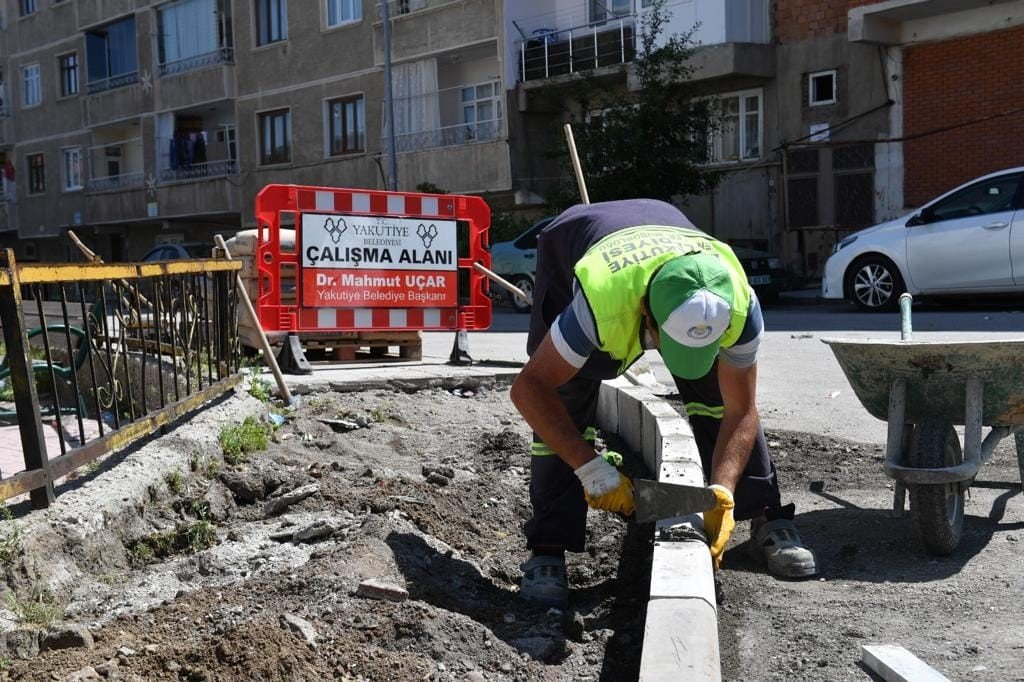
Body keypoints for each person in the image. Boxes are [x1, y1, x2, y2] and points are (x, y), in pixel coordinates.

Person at [509, 198, 817, 607]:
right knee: (565, 397)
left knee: (719, 397)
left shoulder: (738, 303)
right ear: (647, 317)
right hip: (575, 246)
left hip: (669, 240)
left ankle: (764, 511)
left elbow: (741, 410)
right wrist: (591, 468)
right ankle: (547, 548)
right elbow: (529, 390)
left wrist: (722, 491)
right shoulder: (600, 301)